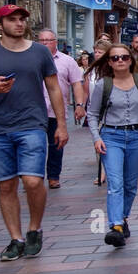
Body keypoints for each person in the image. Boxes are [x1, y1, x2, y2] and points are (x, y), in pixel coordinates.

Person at [0, 5, 69, 260]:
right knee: (6, 185)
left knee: (33, 181)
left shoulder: (40, 52)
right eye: (13, 20)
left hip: (32, 125)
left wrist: (62, 124)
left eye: (22, 19)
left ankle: (35, 228)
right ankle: (16, 238)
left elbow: (54, 88)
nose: (19, 23)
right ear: (0, 24)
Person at [87, 43, 138, 247]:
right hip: (111, 136)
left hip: (137, 136)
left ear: (131, 60)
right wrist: (96, 137)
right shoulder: (103, 84)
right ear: (109, 62)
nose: (120, 61)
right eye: (115, 58)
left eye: (124, 57)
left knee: (130, 185)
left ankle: (124, 217)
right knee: (115, 183)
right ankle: (116, 225)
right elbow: (92, 114)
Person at [36, 29, 87, 189]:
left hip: (56, 111)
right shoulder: (32, 60)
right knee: (35, 146)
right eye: (42, 41)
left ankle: (53, 176)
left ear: (55, 42)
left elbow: (76, 84)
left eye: (48, 40)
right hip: (34, 111)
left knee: (56, 144)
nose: (45, 44)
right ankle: (34, 177)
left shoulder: (67, 61)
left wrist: (80, 105)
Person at [86, 39, 111, 183]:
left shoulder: (111, 70)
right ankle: (101, 171)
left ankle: (106, 171)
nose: (96, 54)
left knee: (108, 142)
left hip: (108, 111)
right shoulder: (93, 70)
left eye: (100, 52)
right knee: (97, 141)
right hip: (94, 111)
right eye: (95, 52)